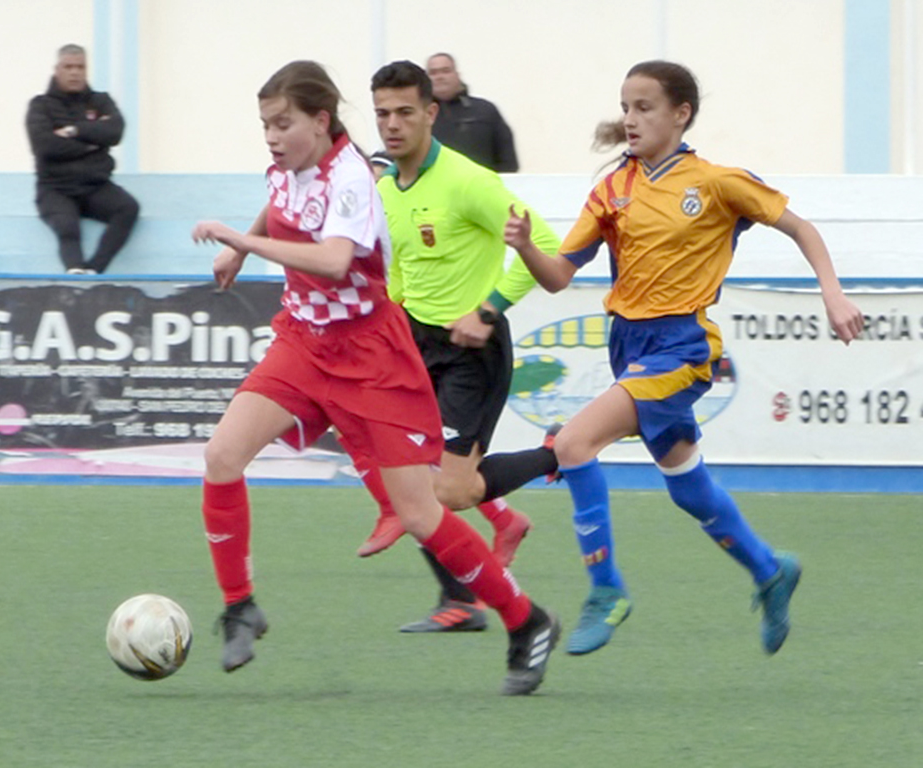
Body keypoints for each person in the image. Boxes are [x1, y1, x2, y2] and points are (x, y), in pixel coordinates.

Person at [191, 60, 558, 695]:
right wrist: (241, 241)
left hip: (369, 354)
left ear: (321, 121)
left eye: (284, 124)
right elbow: (280, 197)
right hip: (304, 343)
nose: (272, 137)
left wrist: (242, 243)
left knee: (424, 512)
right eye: (265, 126)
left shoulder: (354, 178)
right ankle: (239, 605)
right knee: (222, 454)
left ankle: (526, 621)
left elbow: (335, 261)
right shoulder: (287, 165)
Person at [504, 60, 864, 657]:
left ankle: (606, 591)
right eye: (625, 107)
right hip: (628, 347)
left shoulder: (716, 183)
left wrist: (832, 292)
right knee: (685, 483)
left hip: (682, 348)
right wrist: (525, 250)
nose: (630, 118)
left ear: (681, 114)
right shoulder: (612, 189)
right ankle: (769, 571)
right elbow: (559, 277)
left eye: (644, 107)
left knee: (571, 445)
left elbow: (801, 228)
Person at [355, 60, 561, 633]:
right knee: (398, 475)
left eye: (404, 112)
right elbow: (402, 275)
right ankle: (463, 598)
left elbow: (548, 248)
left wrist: (488, 309)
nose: (392, 125)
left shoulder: (470, 182)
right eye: (382, 114)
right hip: (416, 348)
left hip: (472, 351)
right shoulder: (386, 192)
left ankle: (560, 452)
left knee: (449, 491)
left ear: (431, 113)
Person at [26, 44, 139, 274]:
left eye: (80, 67)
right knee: (68, 226)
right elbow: (45, 147)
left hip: (95, 186)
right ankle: (75, 271)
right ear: (57, 69)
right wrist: (93, 141)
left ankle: (94, 271)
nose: (75, 72)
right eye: (68, 67)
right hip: (55, 189)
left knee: (128, 208)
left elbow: (115, 132)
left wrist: (74, 131)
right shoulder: (40, 106)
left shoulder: (100, 101)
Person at [426, 53, 519, 173]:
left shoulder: (485, 111)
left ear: (457, 75)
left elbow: (508, 162)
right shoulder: (418, 116)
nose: (439, 77)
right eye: (433, 73)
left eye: (446, 70)